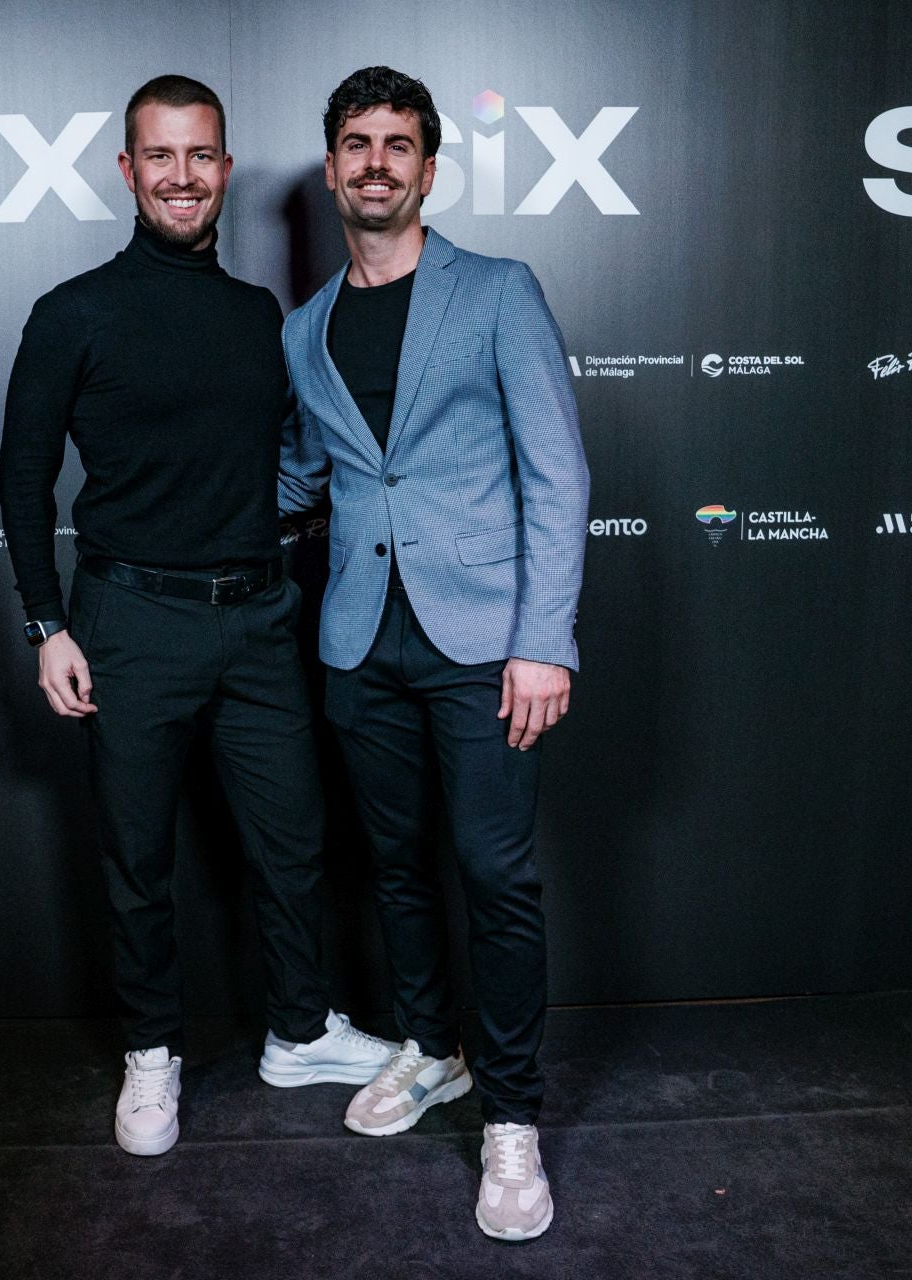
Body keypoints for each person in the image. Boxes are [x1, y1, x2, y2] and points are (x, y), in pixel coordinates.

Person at [0, 75, 396, 1159]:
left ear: (224, 168)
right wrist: (47, 625)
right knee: (139, 857)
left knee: (294, 843)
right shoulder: (73, 312)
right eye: (162, 156)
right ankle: (151, 1051)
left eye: (202, 155)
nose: (183, 176)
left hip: (259, 619)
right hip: (130, 622)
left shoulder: (258, 316)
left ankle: (300, 1030)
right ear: (130, 171)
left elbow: (290, 464)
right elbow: (23, 478)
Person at [278, 66, 588, 1240]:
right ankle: (432, 1047)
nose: (376, 163)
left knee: (494, 875)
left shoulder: (498, 290)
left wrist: (543, 640)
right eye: (357, 143)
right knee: (396, 866)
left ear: (428, 167)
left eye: (397, 144)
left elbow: (557, 471)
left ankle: (510, 1115)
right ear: (331, 168)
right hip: (359, 640)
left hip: (483, 641)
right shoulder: (305, 327)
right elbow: (307, 474)